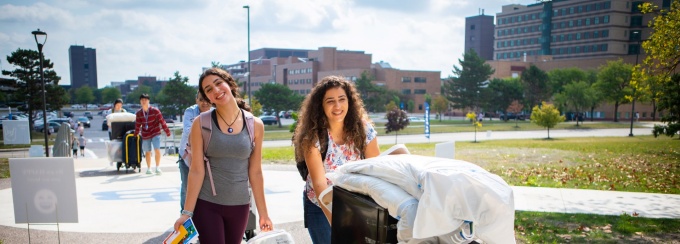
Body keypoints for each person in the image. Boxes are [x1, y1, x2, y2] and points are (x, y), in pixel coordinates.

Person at [174, 67, 272, 243]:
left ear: (229, 83)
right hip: (207, 205)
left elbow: (255, 172)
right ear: (207, 97)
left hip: (240, 205)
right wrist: (186, 213)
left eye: (219, 83)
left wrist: (263, 214)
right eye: (209, 89)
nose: (216, 91)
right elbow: (196, 170)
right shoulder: (201, 123)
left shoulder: (255, 125)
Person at [292, 75, 381, 243]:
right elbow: (320, 186)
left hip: (355, 204)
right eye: (330, 101)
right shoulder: (313, 137)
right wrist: (339, 226)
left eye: (342, 99)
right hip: (320, 205)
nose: (338, 106)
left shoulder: (363, 130)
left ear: (350, 101)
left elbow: (376, 171)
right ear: (321, 106)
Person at [178, 92, 213, 211]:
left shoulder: (215, 113)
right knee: (187, 188)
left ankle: (201, 215)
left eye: (207, 100)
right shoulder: (190, 111)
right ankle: (185, 218)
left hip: (205, 158)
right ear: (196, 100)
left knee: (205, 189)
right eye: (201, 99)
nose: (204, 103)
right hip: (187, 156)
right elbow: (189, 130)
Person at [134, 93, 171, 175]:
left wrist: (167, 131)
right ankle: (149, 168)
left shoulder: (155, 111)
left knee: (157, 149)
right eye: (142, 100)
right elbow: (137, 125)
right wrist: (135, 134)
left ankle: (157, 167)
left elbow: (162, 121)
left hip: (155, 132)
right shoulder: (139, 113)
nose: (144, 102)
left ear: (148, 101)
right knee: (147, 151)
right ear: (140, 102)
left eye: (145, 100)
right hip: (145, 133)